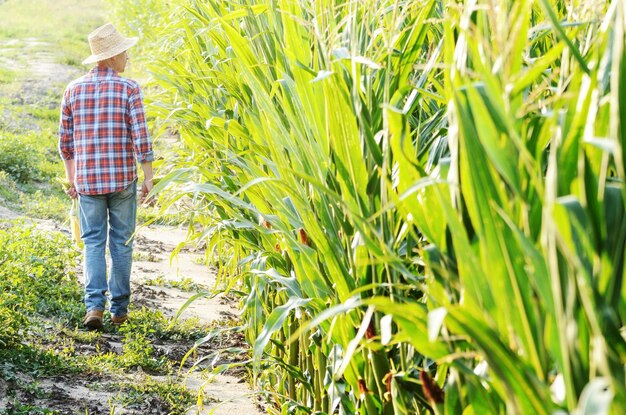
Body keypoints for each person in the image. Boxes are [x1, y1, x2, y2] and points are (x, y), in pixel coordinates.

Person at [58, 23, 154, 330]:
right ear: (112, 57)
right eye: (123, 51)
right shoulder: (129, 89)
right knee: (121, 244)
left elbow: (65, 144)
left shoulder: (73, 89)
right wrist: (149, 176)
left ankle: (94, 308)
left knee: (93, 243)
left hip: (87, 182)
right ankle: (119, 311)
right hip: (123, 180)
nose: (127, 56)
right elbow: (142, 139)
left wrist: (72, 179)